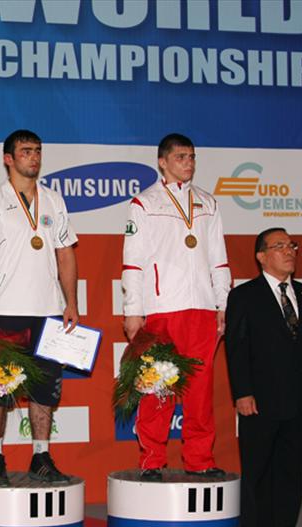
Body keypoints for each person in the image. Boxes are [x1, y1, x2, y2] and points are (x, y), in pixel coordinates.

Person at [0, 129, 79, 486]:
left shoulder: (54, 201)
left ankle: (41, 456)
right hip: (6, 309)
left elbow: (66, 254)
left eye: (38, 151)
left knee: (44, 389)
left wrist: (71, 302)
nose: (34, 157)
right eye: (26, 151)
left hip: (49, 309)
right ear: (8, 159)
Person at [121, 133, 231, 480]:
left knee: (200, 391)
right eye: (181, 157)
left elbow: (219, 259)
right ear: (162, 162)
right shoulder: (144, 203)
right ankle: (152, 460)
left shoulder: (208, 203)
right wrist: (133, 311)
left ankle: (200, 460)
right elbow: (133, 262)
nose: (189, 163)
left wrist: (223, 304)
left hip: (202, 309)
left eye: (192, 157)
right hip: (161, 309)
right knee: (158, 386)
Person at [225, 228, 302, 527]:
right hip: (259, 401)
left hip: (298, 401)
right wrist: (243, 392)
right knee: (257, 473)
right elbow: (237, 349)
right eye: (279, 246)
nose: (289, 251)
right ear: (261, 256)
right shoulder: (244, 296)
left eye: (291, 245)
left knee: (289, 473)